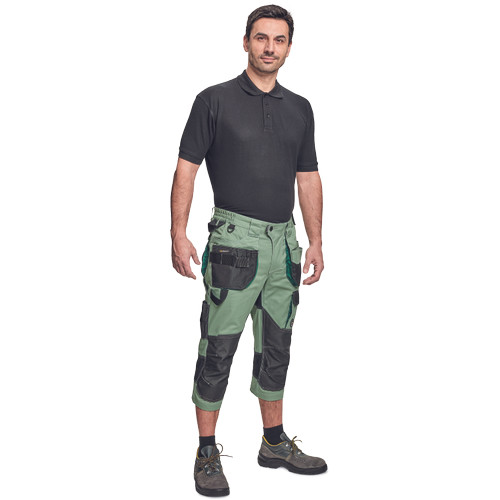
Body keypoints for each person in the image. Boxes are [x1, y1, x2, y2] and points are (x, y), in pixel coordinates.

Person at [171, 5, 326, 496]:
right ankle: (206, 452)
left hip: (285, 245)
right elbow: (186, 169)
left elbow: (308, 176)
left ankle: (273, 442)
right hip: (233, 243)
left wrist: (316, 240)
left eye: (279, 40)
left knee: (277, 345)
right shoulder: (213, 100)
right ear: (245, 42)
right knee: (218, 347)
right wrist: (178, 233)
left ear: (289, 48)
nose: (269, 48)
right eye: (261, 38)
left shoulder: (300, 108)